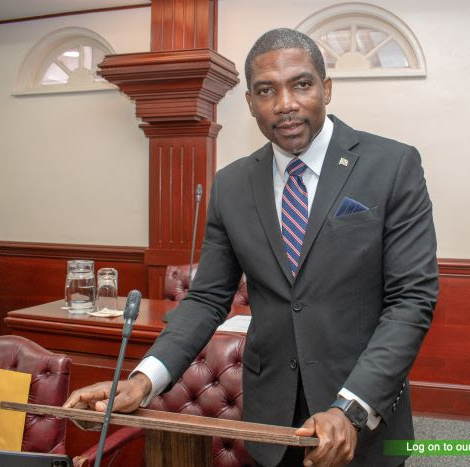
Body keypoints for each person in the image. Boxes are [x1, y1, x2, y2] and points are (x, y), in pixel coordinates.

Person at [64, 28, 438, 467]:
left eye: (301, 84)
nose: (285, 103)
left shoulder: (392, 165)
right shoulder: (232, 184)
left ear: (326, 88)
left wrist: (351, 407)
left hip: (360, 410)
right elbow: (207, 298)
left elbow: (411, 299)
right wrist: (143, 381)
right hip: (270, 415)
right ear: (249, 102)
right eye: (266, 90)